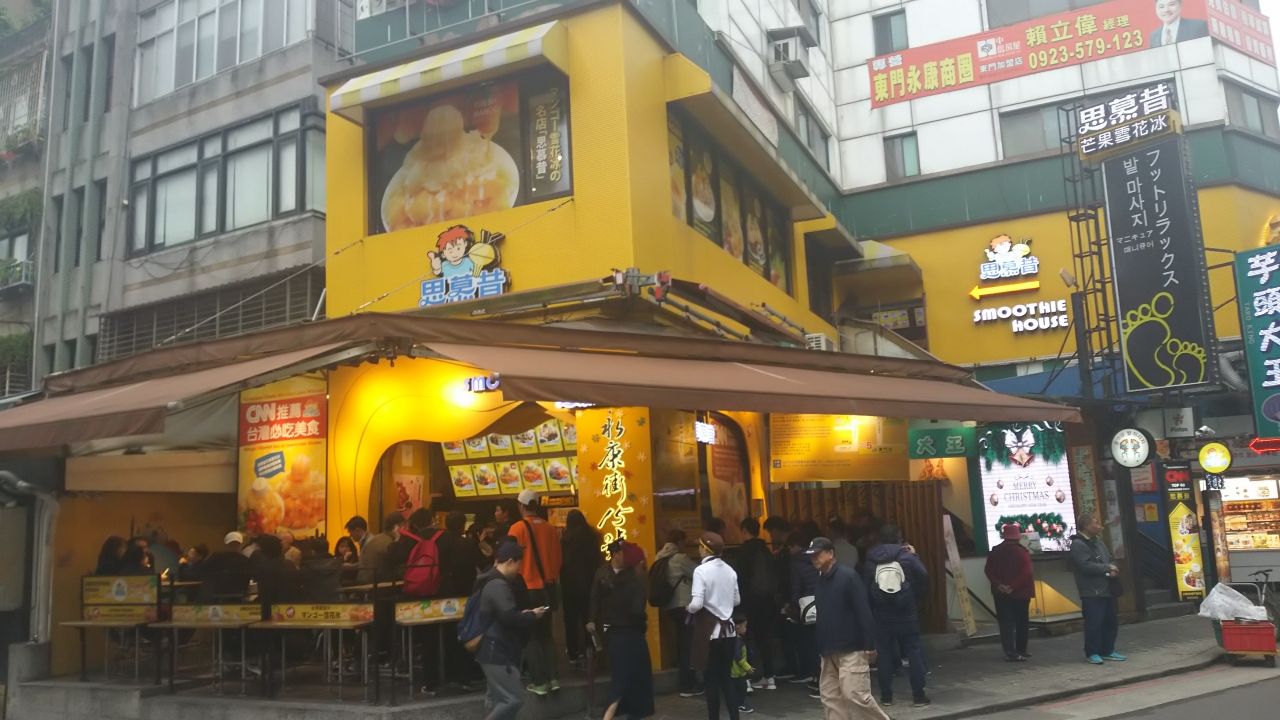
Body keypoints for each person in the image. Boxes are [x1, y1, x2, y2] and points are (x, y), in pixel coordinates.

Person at [806, 537, 890, 720]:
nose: (814, 558)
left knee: (856, 695)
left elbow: (864, 611)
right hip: (828, 651)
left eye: (817, 554)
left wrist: (869, 644)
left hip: (852, 649)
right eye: (811, 555)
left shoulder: (848, 576)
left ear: (830, 553)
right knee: (830, 698)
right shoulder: (820, 581)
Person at [474, 542, 547, 720]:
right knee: (513, 700)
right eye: (519, 563)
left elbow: (504, 614)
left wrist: (523, 614)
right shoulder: (497, 584)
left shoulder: (490, 580)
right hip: (497, 649)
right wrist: (532, 615)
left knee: (504, 699)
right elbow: (509, 616)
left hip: (495, 648)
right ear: (510, 562)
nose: (520, 568)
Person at [862, 524, 929, 707]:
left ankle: (886, 696)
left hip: (882, 614)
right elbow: (923, 575)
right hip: (907, 613)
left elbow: (865, 586)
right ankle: (918, 696)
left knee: (884, 655)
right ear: (899, 538)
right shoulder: (907, 556)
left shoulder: (871, 558)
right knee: (914, 652)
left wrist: (873, 605)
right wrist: (916, 596)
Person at [506, 489, 563, 695]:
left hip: (526, 590)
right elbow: (558, 560)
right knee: (546, 634)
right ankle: (554, 678)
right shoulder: (550, 528)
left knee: (530, 636)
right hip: (547, 589)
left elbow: (509, 560)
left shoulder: (517, 528)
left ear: (521, 506)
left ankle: (539, 682)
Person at [592, 541, 654, 720]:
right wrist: (643, 622)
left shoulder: (616, 581)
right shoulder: (637, 584)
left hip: (614, 636)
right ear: (639, 563)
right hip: (632, 638)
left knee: (619, 681)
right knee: (637, 682)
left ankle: (609, 716)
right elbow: (637, 611)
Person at [688, 532, 740, 720]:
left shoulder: (701, 571)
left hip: (710, 633)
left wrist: (689, 608)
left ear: (705, 548)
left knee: (711, 681)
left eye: (700, 546)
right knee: (727, 680)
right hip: (730, 632)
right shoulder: (730, 570)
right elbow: (736, 600)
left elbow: (697, 604)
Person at [1069, 512, 1125, 665]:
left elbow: (1111, 559)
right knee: (1094, 623)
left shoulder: (1099, 542)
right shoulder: (1078, 544)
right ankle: (1092, 652)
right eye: (1096, 523)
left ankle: (1107, 650)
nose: (1099, 526)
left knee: (1111, 622)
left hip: (1107, 589)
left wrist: (1113, 568)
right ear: (1087, 526)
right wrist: (1107, 568)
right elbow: (1085, 566)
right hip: (1092, 591)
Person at [655, 528, 700, 696]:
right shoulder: (680, 559)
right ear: (680, 542)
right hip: (685, 605)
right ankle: (687, 684)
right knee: (689, 644)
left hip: (670, 607)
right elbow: (698, 574)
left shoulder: (659, 557)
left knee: (683, 641)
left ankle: (685, 679)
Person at [734, 518, 778, 691]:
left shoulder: (744, 551)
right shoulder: (765, 549)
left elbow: (739, 577)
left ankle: (746, 680)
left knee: (743, 641)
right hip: (767, 601)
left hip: (748, 602)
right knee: (764, 640)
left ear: (744, 531)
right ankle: (769, 678)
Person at [985, 523, 1035, 662]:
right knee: (1022, 622)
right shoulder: (1022, 552)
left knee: (1005, 623)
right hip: (1021, 593)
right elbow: (1026, 572)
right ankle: (1021, 650)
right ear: (1017, 537)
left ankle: (1010, 652)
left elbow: (988, 570)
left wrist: (999, 585)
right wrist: (1012, 587)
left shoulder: (995, 551)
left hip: (1000, 593)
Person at [560, 509, 603, 669]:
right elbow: (597, 560)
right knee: (588, 619)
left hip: (569, 586)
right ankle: (590, 650)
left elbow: (561, 562)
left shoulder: (565, 539)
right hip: (589, 584)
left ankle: (573, 654)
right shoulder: (592, 536)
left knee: (571, 621)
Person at [786, 531, 820, 692]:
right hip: (823, 602)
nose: (789, 550)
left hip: (807, 607)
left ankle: (817, 677)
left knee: (809, 644)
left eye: (790, 547)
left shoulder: (796, 563)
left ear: (795, 546)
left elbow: (796, 589)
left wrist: (793, 612)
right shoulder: (817, 558)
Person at [356, 513, 404, 584]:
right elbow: (399, 570)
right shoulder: (390, 544)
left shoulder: (376, 538)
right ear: (397, 527)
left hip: (365, 583)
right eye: (404, 525)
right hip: (379, 585)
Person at [730, 616, 754, 715]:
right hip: (737, 671)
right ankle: (739, 705)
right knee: (741, 689)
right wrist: (747, 667)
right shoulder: (737, 641)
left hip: (736, 671)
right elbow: (738, 657)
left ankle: (737, 704)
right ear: (738, 627)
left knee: (738, 688)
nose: (746, 628)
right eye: (745, 626)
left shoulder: (734, 639)